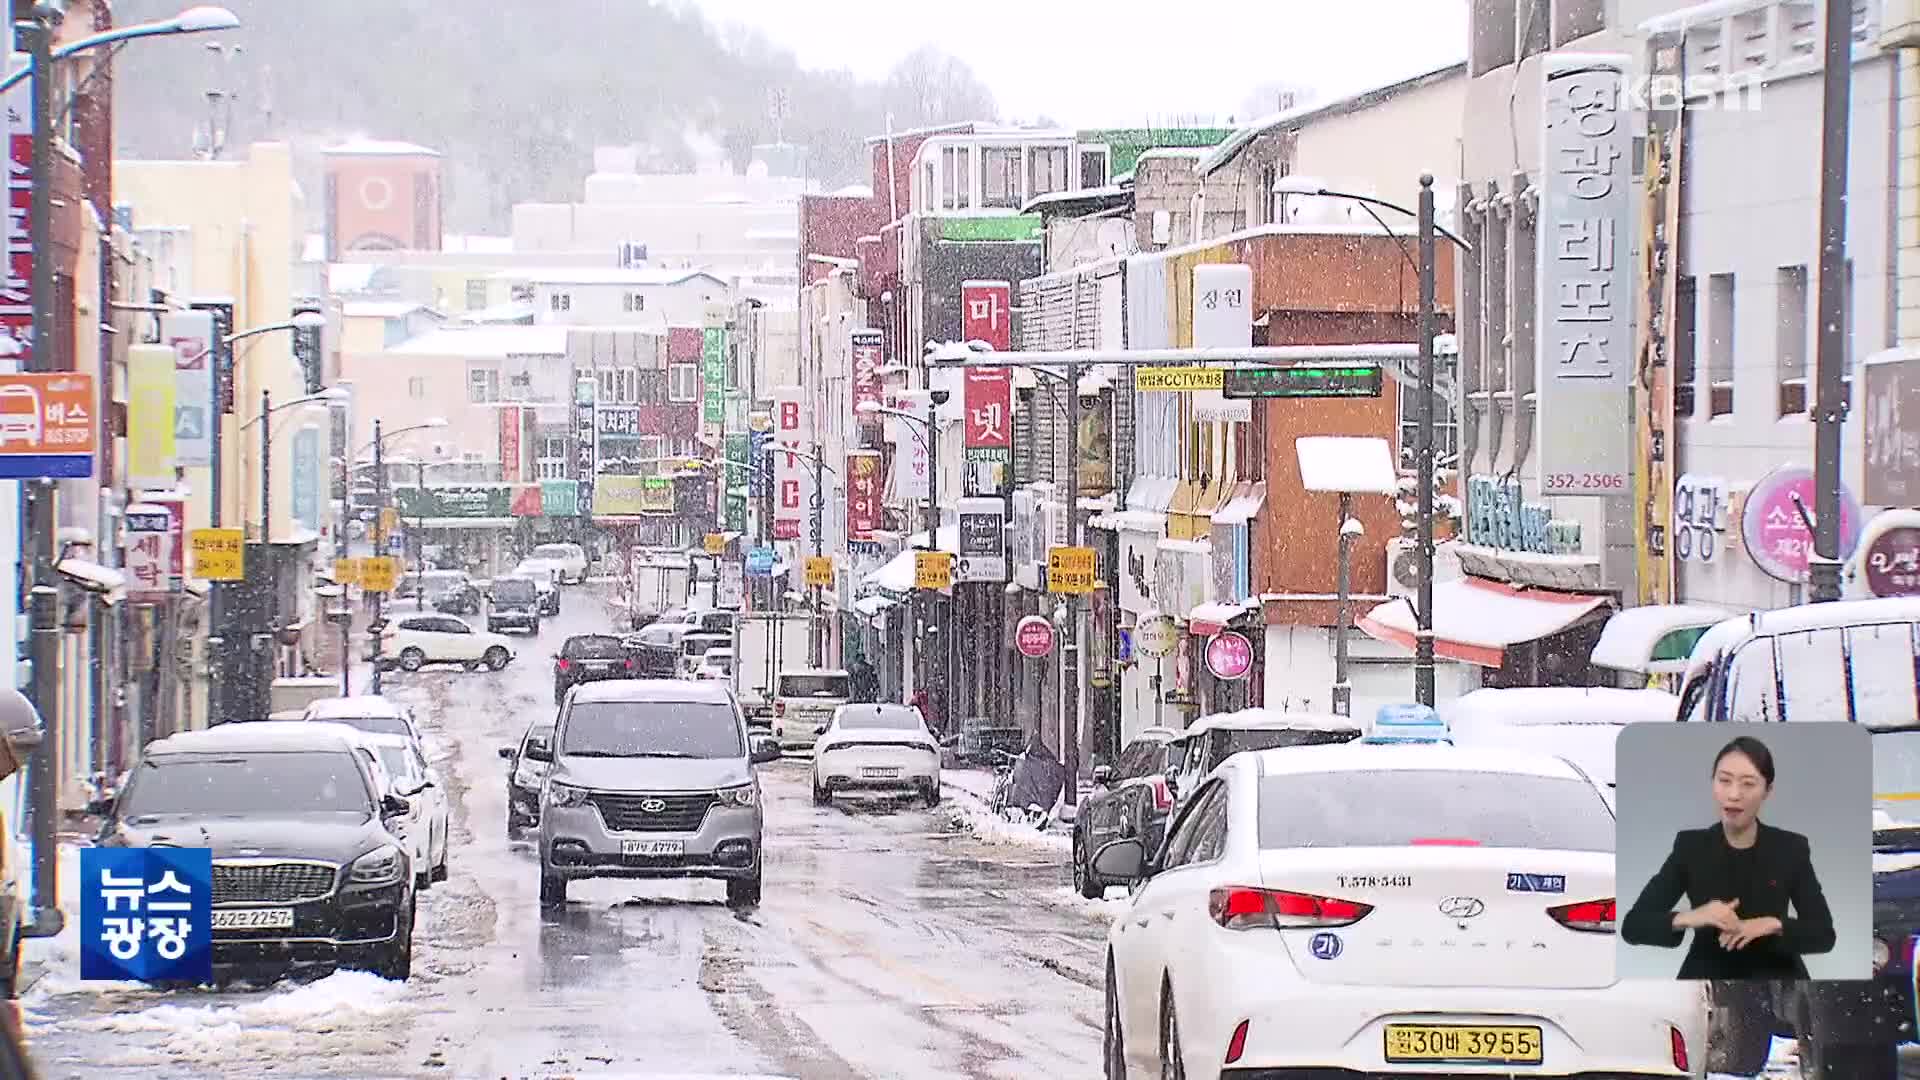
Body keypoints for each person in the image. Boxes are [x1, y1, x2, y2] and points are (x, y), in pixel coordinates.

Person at [1621, 734, 1836, 980]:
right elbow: (1633, 926)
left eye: (1748, 783)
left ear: (1768, 790)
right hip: (1707, 976)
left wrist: (1771, 924)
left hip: (1779, 981)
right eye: (1724, 781)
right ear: (1713, 783)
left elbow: (1824, 935)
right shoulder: (1691, 847)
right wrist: (1694, 917)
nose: (1734, 794)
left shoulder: (1790, 848)